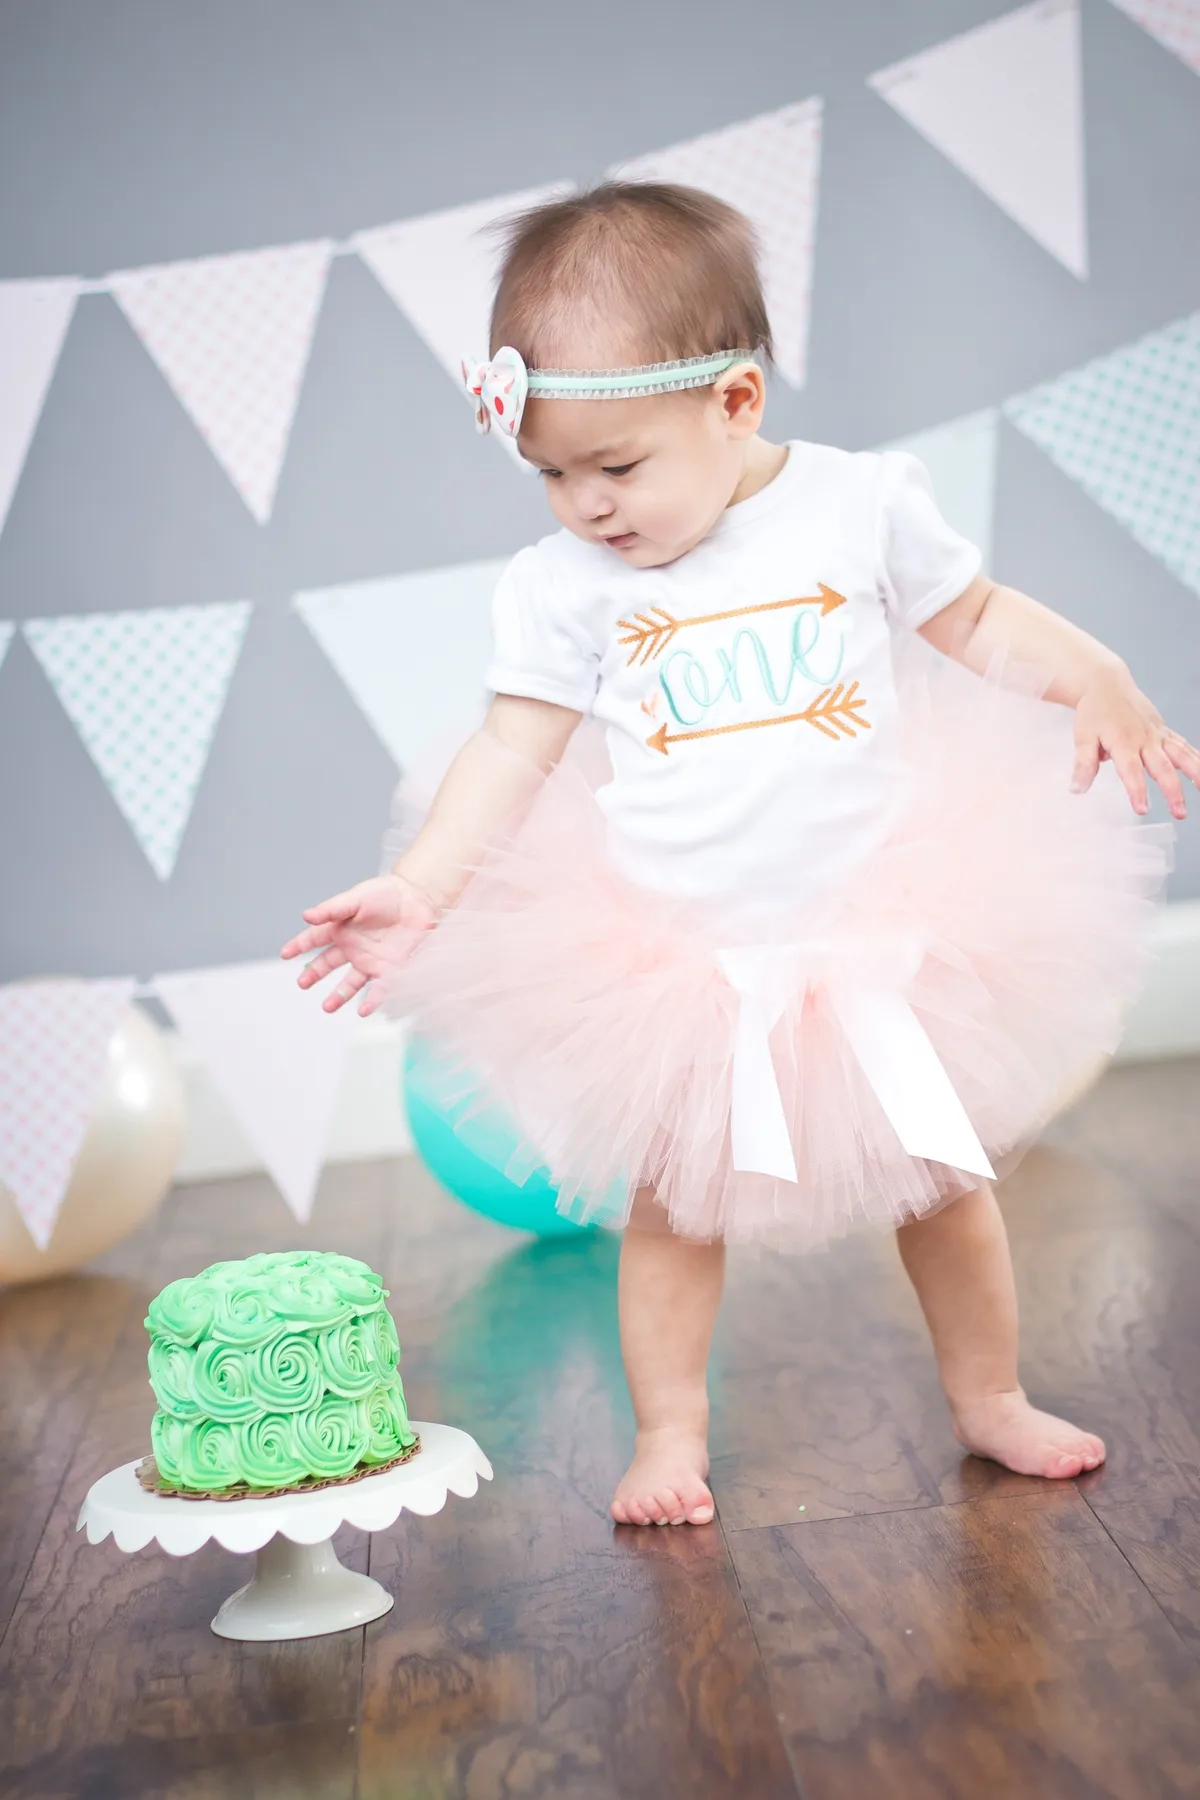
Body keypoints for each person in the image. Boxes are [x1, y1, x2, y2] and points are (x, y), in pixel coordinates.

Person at [282, 183, 1195, 1529]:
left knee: (944, 1186)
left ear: (735, 402)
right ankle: (667, 1436)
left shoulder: (858, 505)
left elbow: (978, 616)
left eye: (617, 466)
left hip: (875, 930)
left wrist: (1095, 676)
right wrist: (424, 884)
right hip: (683, 960)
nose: (586, 506)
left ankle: (991, 1398)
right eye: (550, 473)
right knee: (672, 1211)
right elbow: (508, 750)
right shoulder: (559, 586)